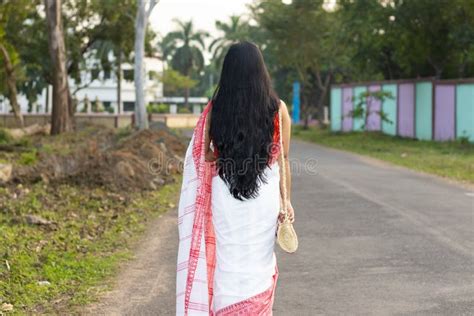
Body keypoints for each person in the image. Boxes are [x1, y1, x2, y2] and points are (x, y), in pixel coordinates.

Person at [176, 41, 294, 315]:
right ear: (260, 71)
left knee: (227, 259)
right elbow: (283, 159)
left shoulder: (216, 108)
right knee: (258, 262)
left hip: (225, 193)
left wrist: (231, 156)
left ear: (228, 72)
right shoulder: (278, 109)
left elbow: (203, 154)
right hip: (264, 197)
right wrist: (286, 201)